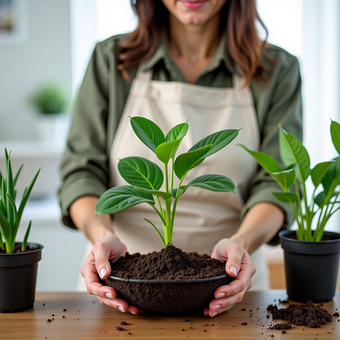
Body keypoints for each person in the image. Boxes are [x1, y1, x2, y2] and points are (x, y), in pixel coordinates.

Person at [58, 0, 302, 318]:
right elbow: (81, 172)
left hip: (227, 287)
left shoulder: (277, 68)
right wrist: (102, 237)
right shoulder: (112, 60)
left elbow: (276, 182)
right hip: (122, 286)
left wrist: (240, 244)